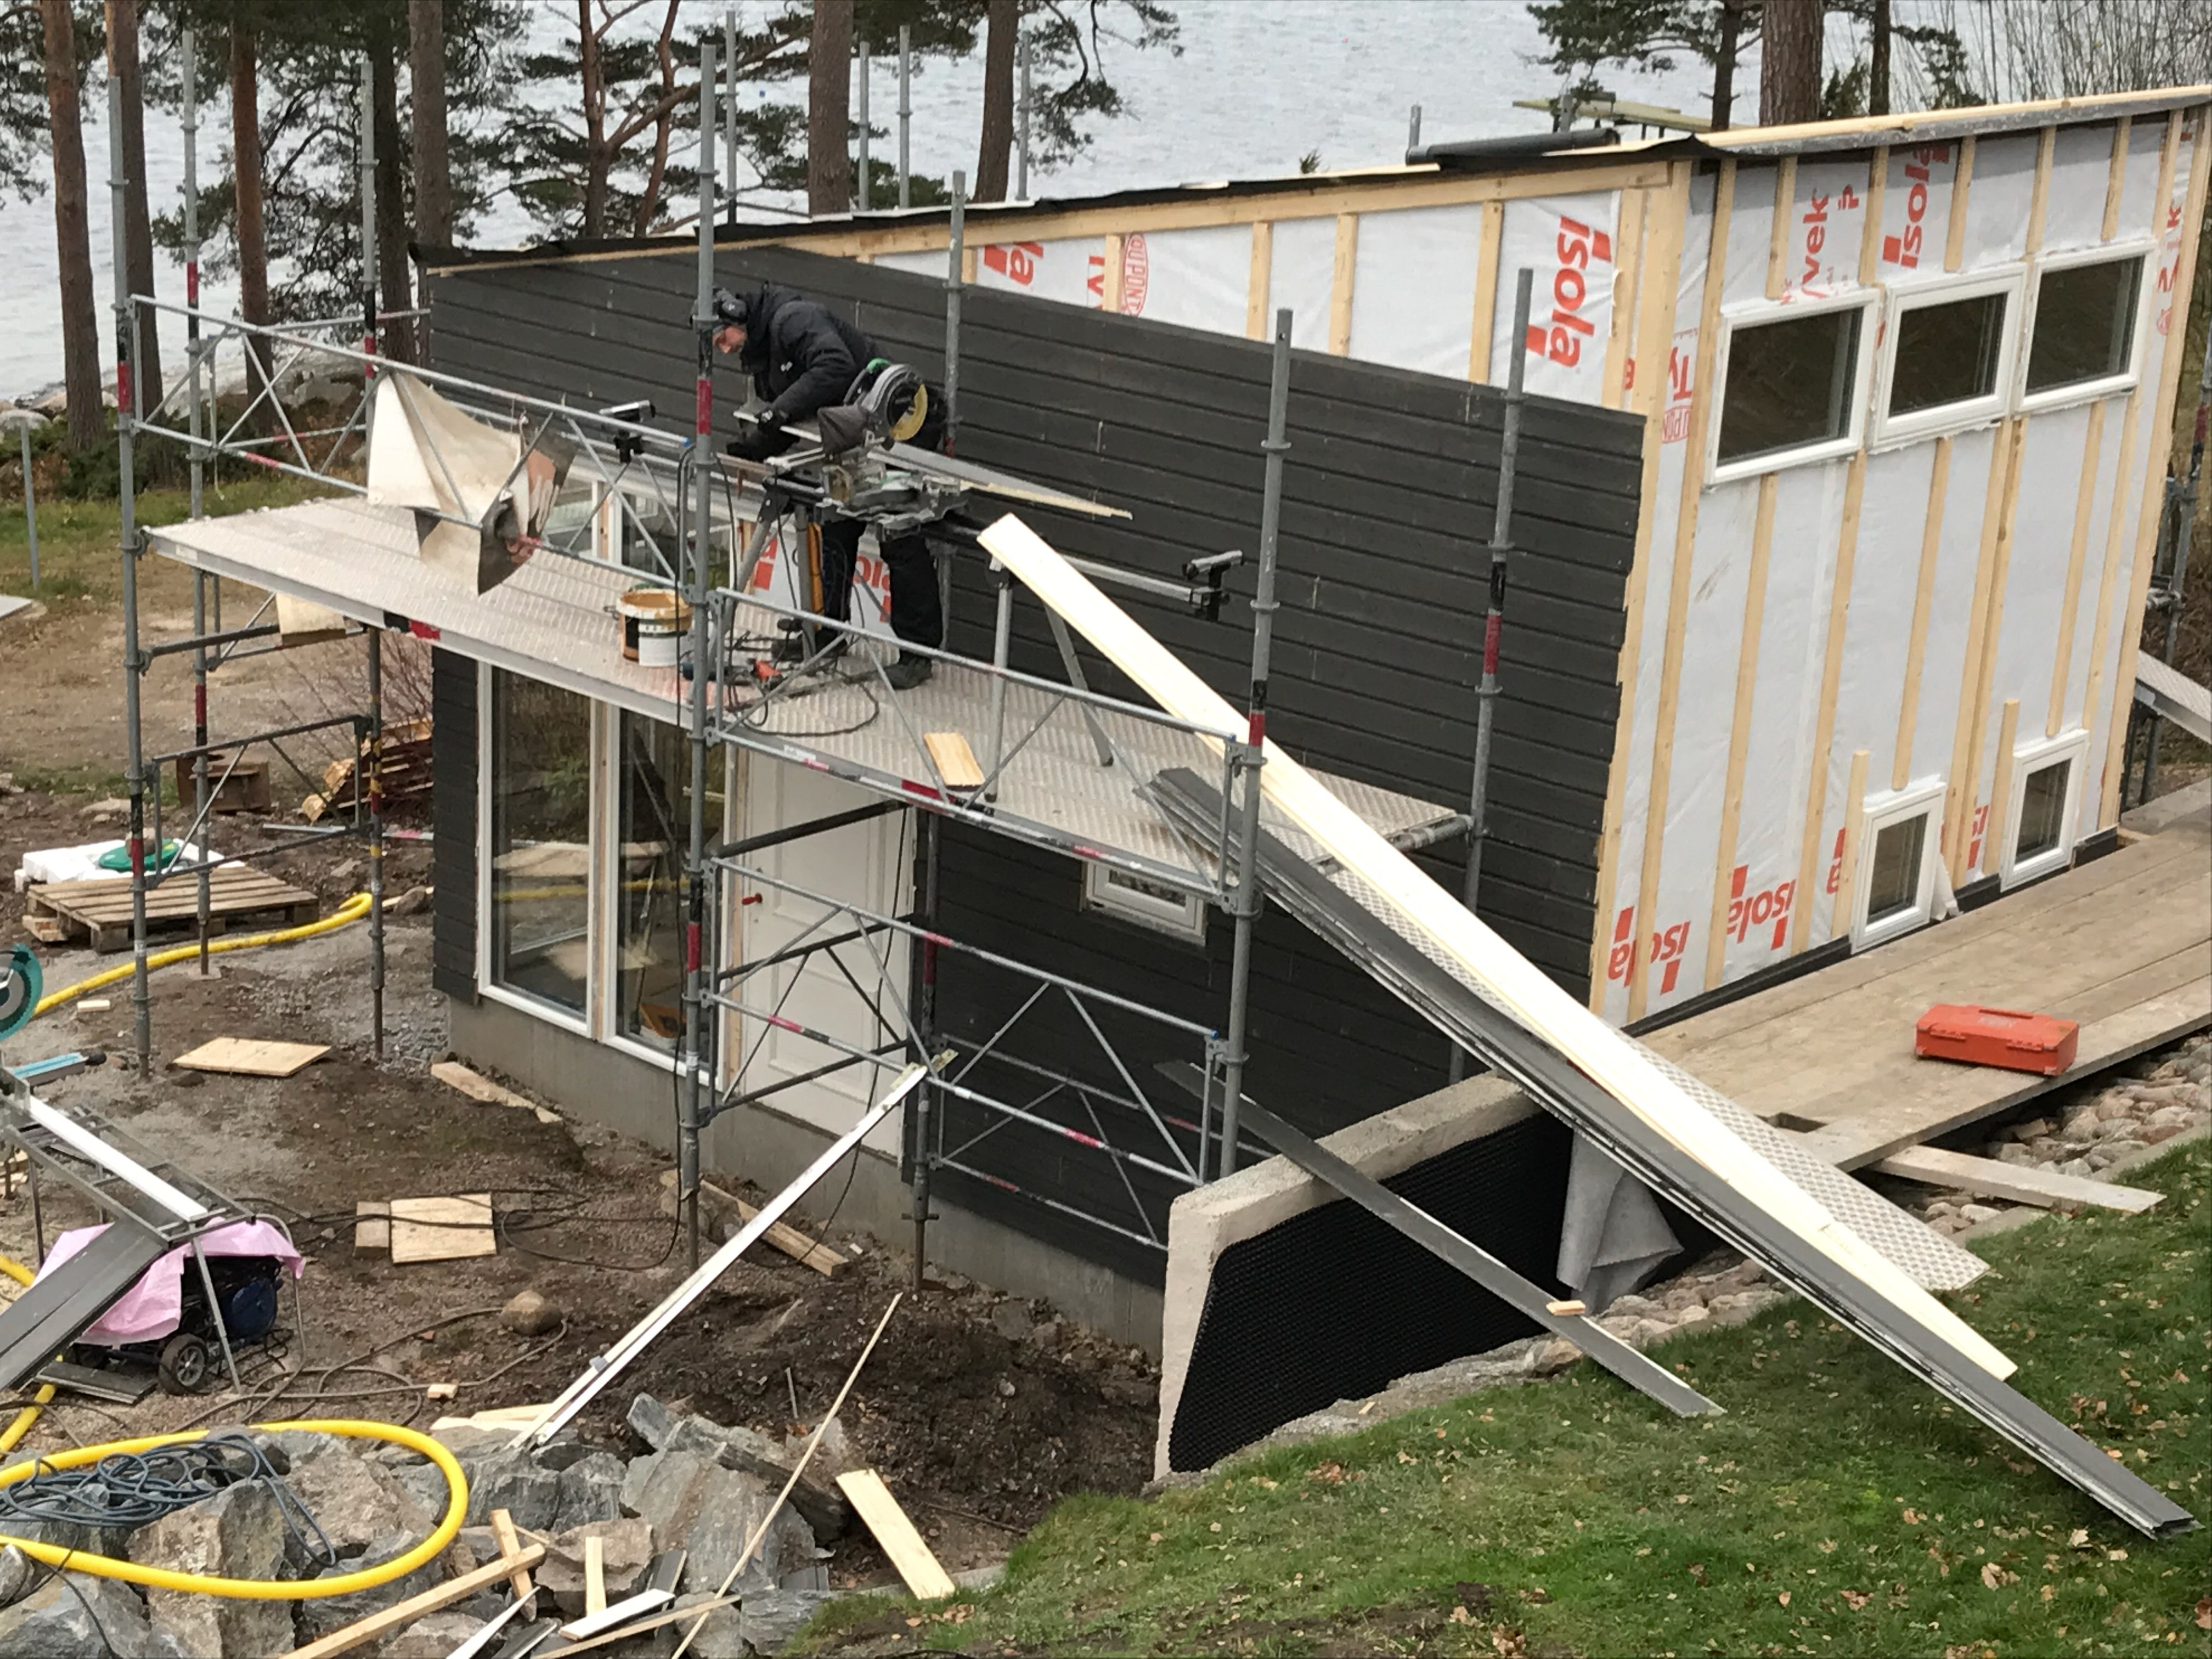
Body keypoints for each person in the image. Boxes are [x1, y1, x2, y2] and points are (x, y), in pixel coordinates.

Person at [712, 284, 941, 690]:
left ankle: (918, 655)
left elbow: (835, 366)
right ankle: (828, 634)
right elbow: (789, 416)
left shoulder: (793, 320)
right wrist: (753, 450)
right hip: (854, 434)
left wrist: (777, 412)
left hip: (900, 426)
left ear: (736, 315)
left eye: (723, 338)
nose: (725, 349)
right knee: (837, 524)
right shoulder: (764, 354)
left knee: (899, 535)